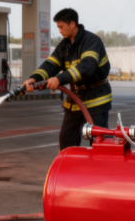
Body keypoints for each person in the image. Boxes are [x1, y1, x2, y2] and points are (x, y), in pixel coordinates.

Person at [22, 8, 111, 150]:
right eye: (58, 27)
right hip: (75, 99)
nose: (60, 31)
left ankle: (98, 171)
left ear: (72, 24)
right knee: (66, 138)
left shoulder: (92, 41)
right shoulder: (64, 46)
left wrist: (59, 79)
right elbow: (50, 65)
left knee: (98, 141)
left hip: (96, 99)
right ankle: (71, 171)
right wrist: (34, 78)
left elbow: (87, 67)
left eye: (61, 27)